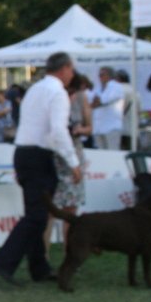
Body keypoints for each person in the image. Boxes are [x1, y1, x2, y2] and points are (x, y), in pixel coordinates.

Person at [0, 51, 81, 285]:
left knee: (38, 213)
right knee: (37, 215)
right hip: (39, 155)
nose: (72, 74)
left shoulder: (35, 89)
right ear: (65, 69)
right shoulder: (57, 92)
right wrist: (73, 162)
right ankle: (3, 262)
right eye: (71, 70)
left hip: (24, 152)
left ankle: (39, 268)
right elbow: (58, 131)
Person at [44, 72, 92, 256]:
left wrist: (81, 129)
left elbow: (90, 128)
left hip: (73, 154)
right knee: (49, 210)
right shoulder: (55, 96)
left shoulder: (81, 99)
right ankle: (44, 257)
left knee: (70, 211)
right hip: (55, 156)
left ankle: (69, 255)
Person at [91, 66, 124, 150]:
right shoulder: (98, 87)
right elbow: (92, 103)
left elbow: (102, 100)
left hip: (111, 127)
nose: (100, 77)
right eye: (99, 75)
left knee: (113, 152)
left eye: (102, 74)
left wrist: (96, 101)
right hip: (98, 127)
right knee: (101, 154)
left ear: (110, 75)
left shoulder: (116, 86)